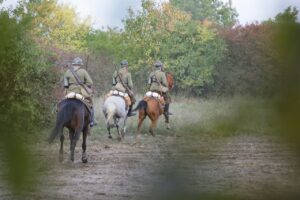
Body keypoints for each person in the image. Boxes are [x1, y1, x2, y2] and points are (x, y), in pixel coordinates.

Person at [63, 57, 97, 127]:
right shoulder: (83, 71)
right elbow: (90, 82)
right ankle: (92, 120)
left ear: (73, 64)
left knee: (61, 102)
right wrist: (84, 84)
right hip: (80, 92)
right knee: (91, 105)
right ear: (80, 64)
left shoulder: (67, 72)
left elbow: (65, 85)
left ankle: (58, 114)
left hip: (70, 92)